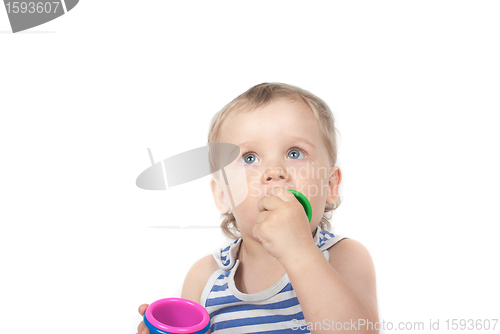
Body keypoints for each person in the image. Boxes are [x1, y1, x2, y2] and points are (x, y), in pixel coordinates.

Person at [136, 83, 378, 334]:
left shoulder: (343, 257)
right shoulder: (205, 278)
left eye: (295, 153)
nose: (274, 172)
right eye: (249, 158)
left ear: (329, 186)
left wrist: (299, 251)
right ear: (223, 195)